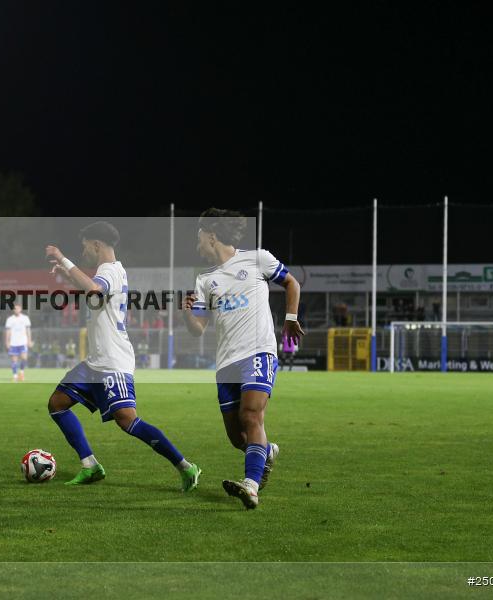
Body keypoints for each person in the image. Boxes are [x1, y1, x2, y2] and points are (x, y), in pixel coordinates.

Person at [45, 221, 201, 491]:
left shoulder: (110, 271)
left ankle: (186, 467)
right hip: (96, 361)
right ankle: (90, 465)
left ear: (96, 244)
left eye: (85, 247)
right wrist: (69, 276)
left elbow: (95, 291)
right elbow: (95, 294)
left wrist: (63, 259)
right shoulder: (109, 273)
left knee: (127, 420)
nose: (84, 253)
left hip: (112, 362)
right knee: (57, 403)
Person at [182, 208, 304, 509]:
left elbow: (292, 283)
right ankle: (267, 451)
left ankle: (250, 486)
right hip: (226, 364)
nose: (197, 247)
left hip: (258, 351)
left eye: (198, 239)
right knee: (238, 438)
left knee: (251, 416)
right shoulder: (204, 280)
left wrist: (290, 318)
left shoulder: (258, 259)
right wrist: (186, 312)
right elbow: (198, 330)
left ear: (211, 236)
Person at [5, 304, 32, 381]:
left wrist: (29, 340)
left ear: (20, 309)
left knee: (24, 358)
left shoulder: (25, 318)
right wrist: (7, 342)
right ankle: (15, 376)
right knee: (14, 360)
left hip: (23, 342)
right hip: (13, 343)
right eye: (15, 309)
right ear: (13, 310)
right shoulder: (10, 319)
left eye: (18, 308)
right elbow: (8, 331)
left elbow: (28, 330)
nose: (16, 310)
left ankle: (21, 372)